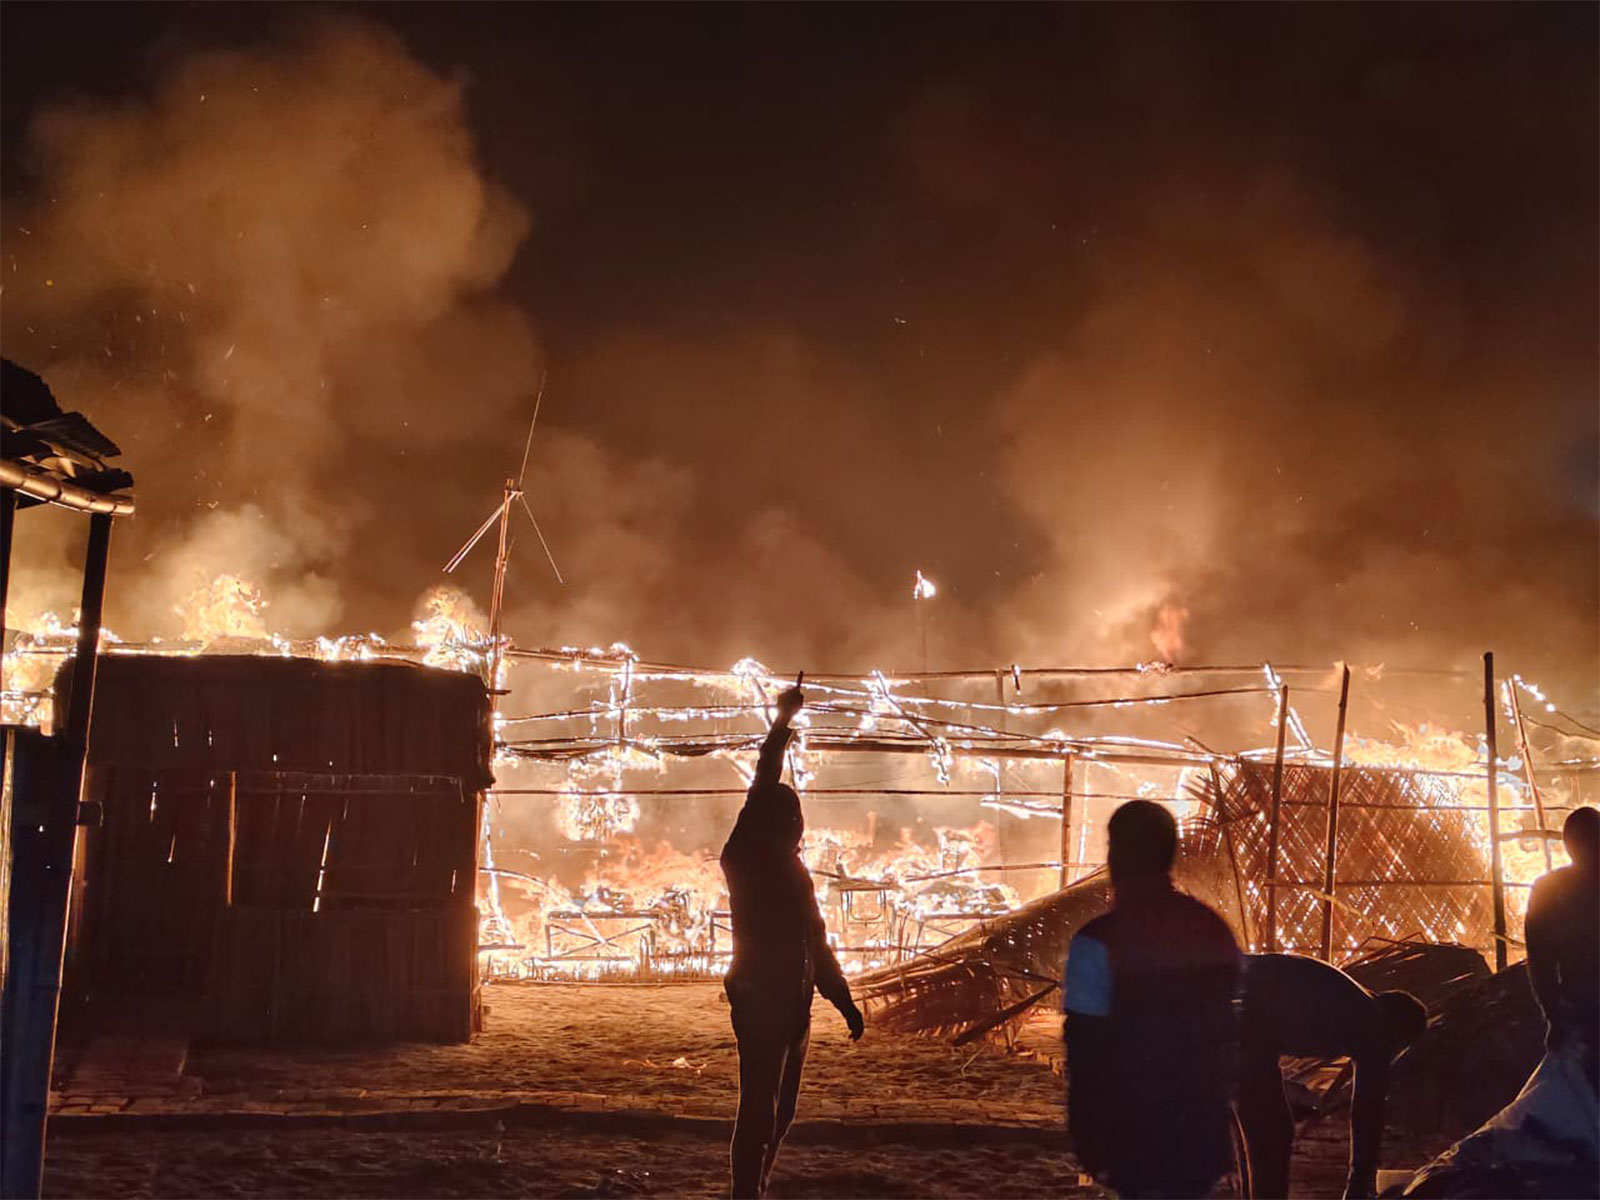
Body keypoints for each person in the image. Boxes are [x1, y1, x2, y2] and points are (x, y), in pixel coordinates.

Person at [720, 681, 864, 1199]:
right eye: (791, 819)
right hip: (760, 998)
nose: (798, 826)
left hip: (795, 1003)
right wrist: (781, 723)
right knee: (760, 1107)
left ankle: (756, 1186)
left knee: (782, 1112)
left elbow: (817, 941)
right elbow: (763, 779)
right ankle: (745, 1192)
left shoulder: (794, 872)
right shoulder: (746, 859)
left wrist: (842, 1001)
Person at [1062, 800, 1243, 1199]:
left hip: (1131, 1125)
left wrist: (1086, 1128)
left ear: (1116, 856)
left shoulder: (1096, 941)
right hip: (1197, 1125)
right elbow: (1227, 1029)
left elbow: (1083, 1042)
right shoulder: (1212, 930)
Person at [1237, 953, 1428, 1199]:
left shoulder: (1351, 998)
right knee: (1271, 1131)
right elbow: (1368, 1110)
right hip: (1242, 1012)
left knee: (1266, 1127)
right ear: (1398, 1030)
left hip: (1231, 997)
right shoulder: (1373, 1025)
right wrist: (1360, 1180)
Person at [1524, 806, 1599, 1093]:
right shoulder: (1549, 890)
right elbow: (1540, 961)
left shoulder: (1549, 889)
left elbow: (1540, 962)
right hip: (1583, 1010)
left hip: (1580, 1009)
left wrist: (1553, 1017)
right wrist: (1553, 1017)